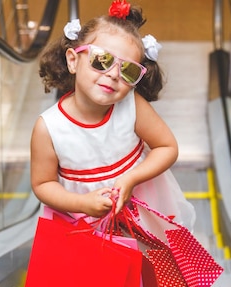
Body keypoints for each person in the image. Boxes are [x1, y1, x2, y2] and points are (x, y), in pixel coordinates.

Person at [30, 0, 196, 230]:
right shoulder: (49, 127)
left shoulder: (132, 106)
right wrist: (82, 203)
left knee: (145, 263)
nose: (113, 74)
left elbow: (167, 147)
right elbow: (43, 183)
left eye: (128, 70)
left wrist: (131, 178)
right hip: (81, 223)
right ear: (73, 60)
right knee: (95, 267)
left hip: (140, 211)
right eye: (101, 60)